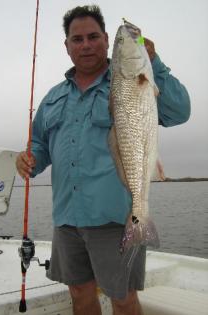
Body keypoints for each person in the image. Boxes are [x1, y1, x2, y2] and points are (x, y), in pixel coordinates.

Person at [16, 5, 190, 315]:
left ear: (107, 39)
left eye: (93, 36)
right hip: (67, 219)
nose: (86, 45)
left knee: (123, 299)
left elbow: (179, 111)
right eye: (77, 38)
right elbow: (40, 143)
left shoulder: (134, 81)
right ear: (67, 45)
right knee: (80, 294)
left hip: (115, 218)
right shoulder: (53, 97)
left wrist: (155, 63)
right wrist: (30, 158)